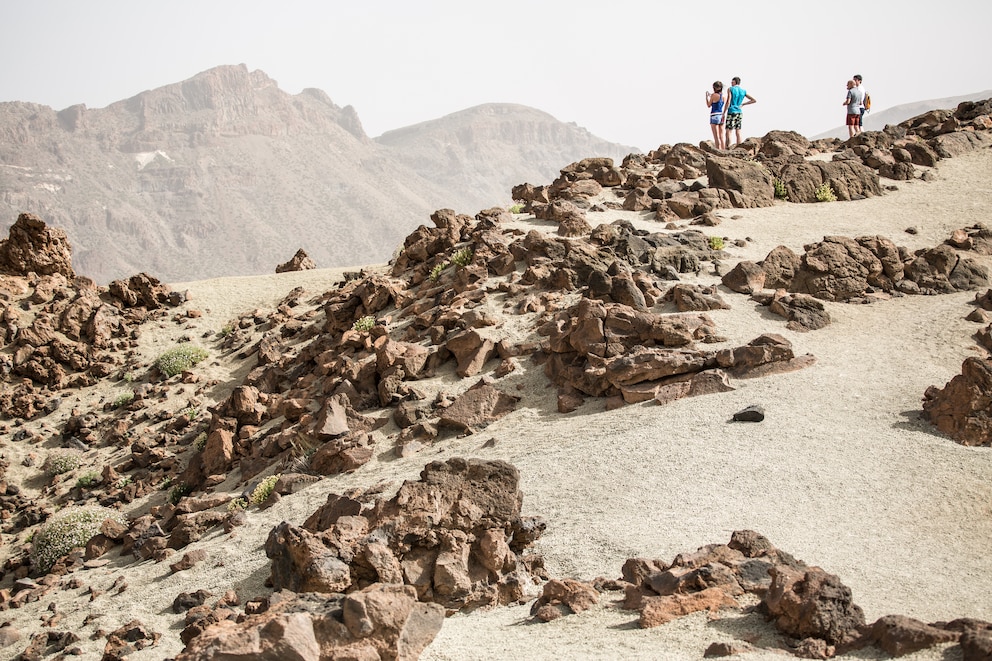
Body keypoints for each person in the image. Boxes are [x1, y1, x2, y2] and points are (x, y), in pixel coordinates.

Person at [721, 77, 756, 148]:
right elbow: (753, 100)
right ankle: (739, 147)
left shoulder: (731, 89)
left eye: (732, 81)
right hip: (739, 112)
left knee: (729, 130)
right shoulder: (743, 91)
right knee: (738, 130)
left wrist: (724, 112)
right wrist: (743, 104)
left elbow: (728, 101)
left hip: (731, 111)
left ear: (735, 82)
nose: (731, 83)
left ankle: (728, 147)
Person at [706, 81, 726, 149]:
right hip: (721, 115)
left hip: (714, 115)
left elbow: (709, 105)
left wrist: (707, 97)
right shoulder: (723, 96)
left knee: (716, 136)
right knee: (722, 136)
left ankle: (718, 150)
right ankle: (724, 151)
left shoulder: (713, 95)